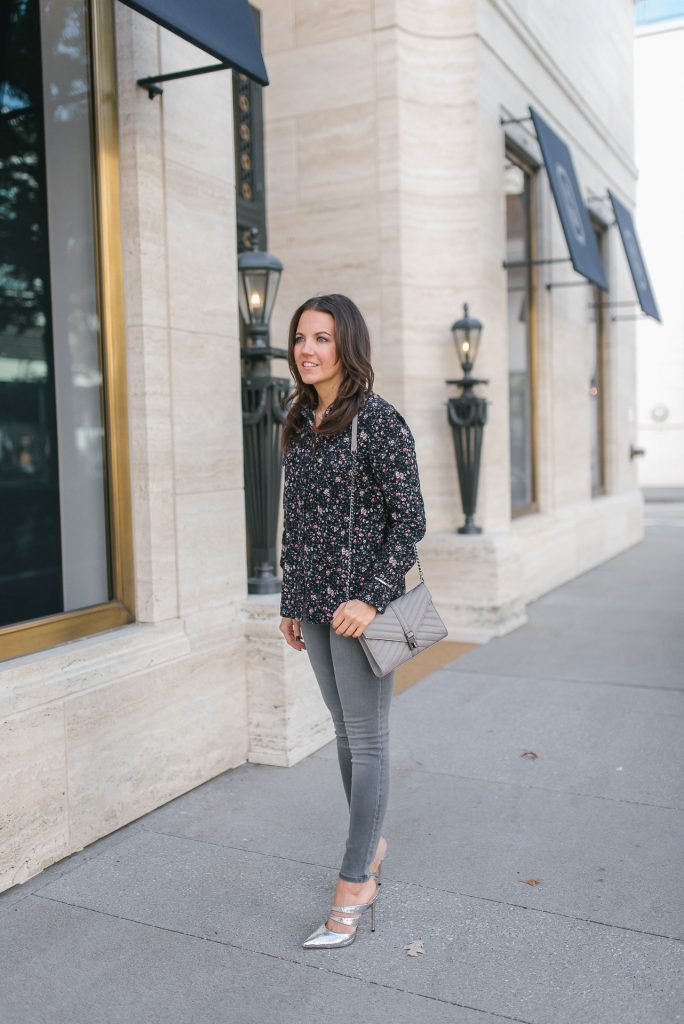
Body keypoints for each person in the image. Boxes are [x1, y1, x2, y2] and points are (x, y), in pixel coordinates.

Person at [278, 293, 427, 949]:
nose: (308, 350)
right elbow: (297, 518)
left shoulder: (380, 421)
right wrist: (289, 596)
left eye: (322, 339)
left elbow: (410, 521)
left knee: (366, 741)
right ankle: (371, 845)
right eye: (301, 338)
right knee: (344, 733)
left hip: (362, 610)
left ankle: (353, 883)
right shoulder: (300, 420)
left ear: (347, 347)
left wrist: (370, 597)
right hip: (313, 605)